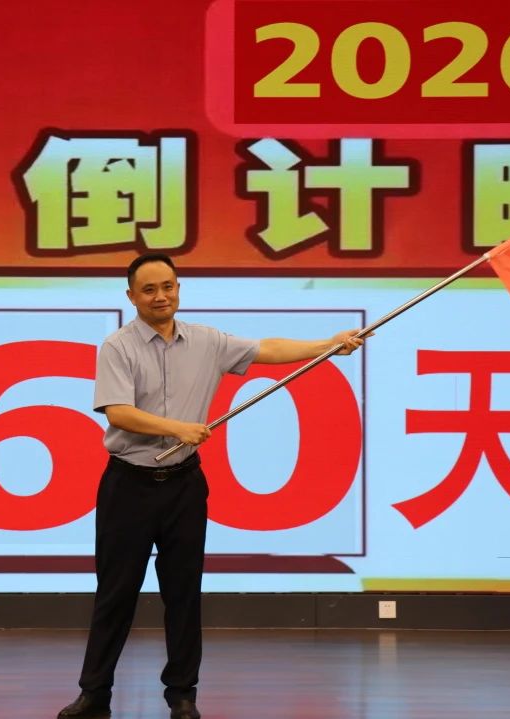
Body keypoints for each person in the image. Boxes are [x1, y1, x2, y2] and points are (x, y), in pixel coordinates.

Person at [57, 254, 367, 719]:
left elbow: (267, 349)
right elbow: (118, 412)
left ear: (178, 289)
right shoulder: (117, 347)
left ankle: (183, 695)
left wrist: (328, 344)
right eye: (149, 289)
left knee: (184, 593)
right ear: (131, 296)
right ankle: (94, 694)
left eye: (168, 286)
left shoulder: (207, 341)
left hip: (184, 486)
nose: (160, 296)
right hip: (128, 486)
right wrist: (178, 427)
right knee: (115, 594)